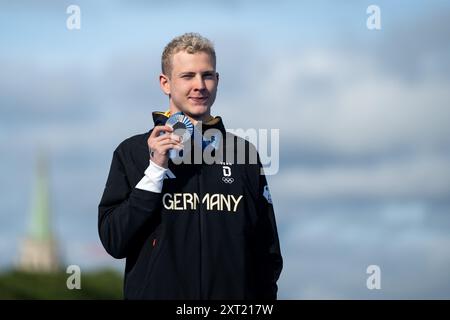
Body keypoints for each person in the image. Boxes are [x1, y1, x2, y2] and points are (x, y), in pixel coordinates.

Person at [98, 33, 282, 299]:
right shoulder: (132, 152)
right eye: (187, 76)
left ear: (217, 81)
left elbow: (267, 253)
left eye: (207, 75)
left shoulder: (242, 153)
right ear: (166, 83)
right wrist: (155, 170)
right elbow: (114, 240)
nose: (200, 85)